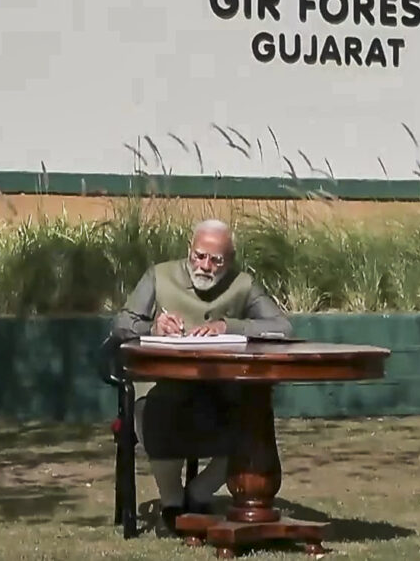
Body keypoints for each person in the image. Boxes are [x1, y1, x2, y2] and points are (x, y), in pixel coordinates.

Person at [112, 218, 293, 535]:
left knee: (253, 418)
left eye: (216, 260)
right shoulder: (160, 275)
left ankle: (199, 493)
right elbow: (122, 325)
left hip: (220, 387)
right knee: (156, 413)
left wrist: (230, 326)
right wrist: (152, 328)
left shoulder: (243, 285)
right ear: (189, 251)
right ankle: (172, 504)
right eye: (199, 256)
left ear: (229, 261)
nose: (206, 265)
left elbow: (283, 328)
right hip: (161, 386)